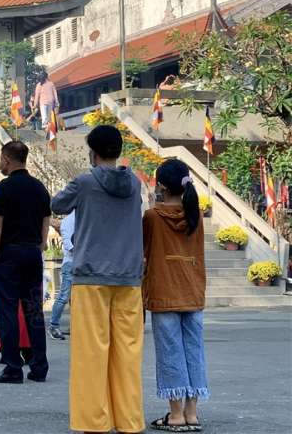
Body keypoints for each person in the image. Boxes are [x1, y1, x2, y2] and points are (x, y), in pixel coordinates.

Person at [51, 124, 145, 434]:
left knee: (92, 351)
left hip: (91, 275)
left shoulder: (85, 181)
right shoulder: (134, 182)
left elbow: (57, 205)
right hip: (129, 277)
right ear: (119, 151)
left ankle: (94, 422)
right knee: (128, 353)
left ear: (92, 152)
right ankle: (129, 421)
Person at [143, 159, 208, 432]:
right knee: (194, 350)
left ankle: (176, 414)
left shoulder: (153, 216)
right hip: (192, 291)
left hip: (164, 292)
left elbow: (144, 252)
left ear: (160, 186)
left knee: (170, 352)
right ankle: (192, 413)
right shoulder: (196, 215)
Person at [0, 141, 51, 385]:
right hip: (33, 252)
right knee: (34, 310)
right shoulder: (39, 188)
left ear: (6, 159)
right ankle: (39, 366)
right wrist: (40, 246)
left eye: (1, 159)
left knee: (8, 310)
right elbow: (46, 222)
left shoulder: (4, 188)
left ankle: (13, 366)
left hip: (9, 254)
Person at [48, 210, 75, 341]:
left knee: (76, 298)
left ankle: (74, 325)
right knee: (63, 296)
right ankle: (53, 325)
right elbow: (69, 244)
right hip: (71, 263)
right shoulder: (69, 221)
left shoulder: (80, 217)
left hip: (76, 263)